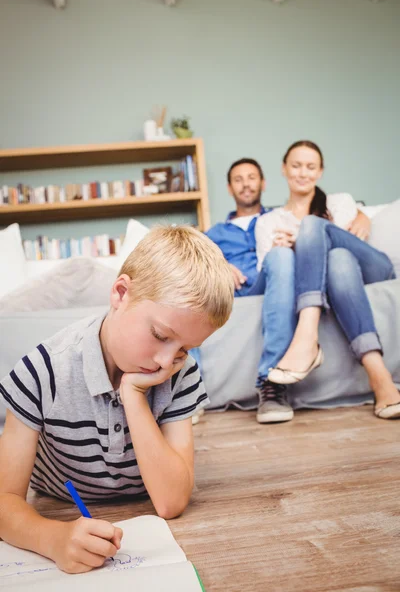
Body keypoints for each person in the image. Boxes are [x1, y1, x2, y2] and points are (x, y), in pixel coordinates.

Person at [0, 225, 234, 574]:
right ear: (121, 293)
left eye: (184, 348)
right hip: (59, 507)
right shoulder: (42, 370)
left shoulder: (180, 373)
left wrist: (134, 395)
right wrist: (51, 538)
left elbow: (171, 502)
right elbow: (5, 501)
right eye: (159, 335)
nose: (164, 362)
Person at [206, 158, 370, 424]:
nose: (246, 184)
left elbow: (329, 225)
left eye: (251, 177)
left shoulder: (279, 217)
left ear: (263, 183)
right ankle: (271, 382)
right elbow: (192, 259)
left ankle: (271, 385)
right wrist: (218, 264)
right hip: (243, 290)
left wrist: (363, 215)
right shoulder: (214, 232)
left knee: (281, 256)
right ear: (229, 188)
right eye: (238, 179)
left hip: (282, 282)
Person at [256, 140, 399, 420]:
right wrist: (290, 251)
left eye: (310, 167)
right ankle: (380, 378)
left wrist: (304, 240)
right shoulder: (269, 222)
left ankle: (307, 336)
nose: (303, 173)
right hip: (341, 271)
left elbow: (354, 241)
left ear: (320, 172)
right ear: (284, 169)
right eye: (296, 166)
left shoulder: (339, 202)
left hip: (371, 268)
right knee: (337, 261)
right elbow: (270, 272)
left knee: (317, 230)